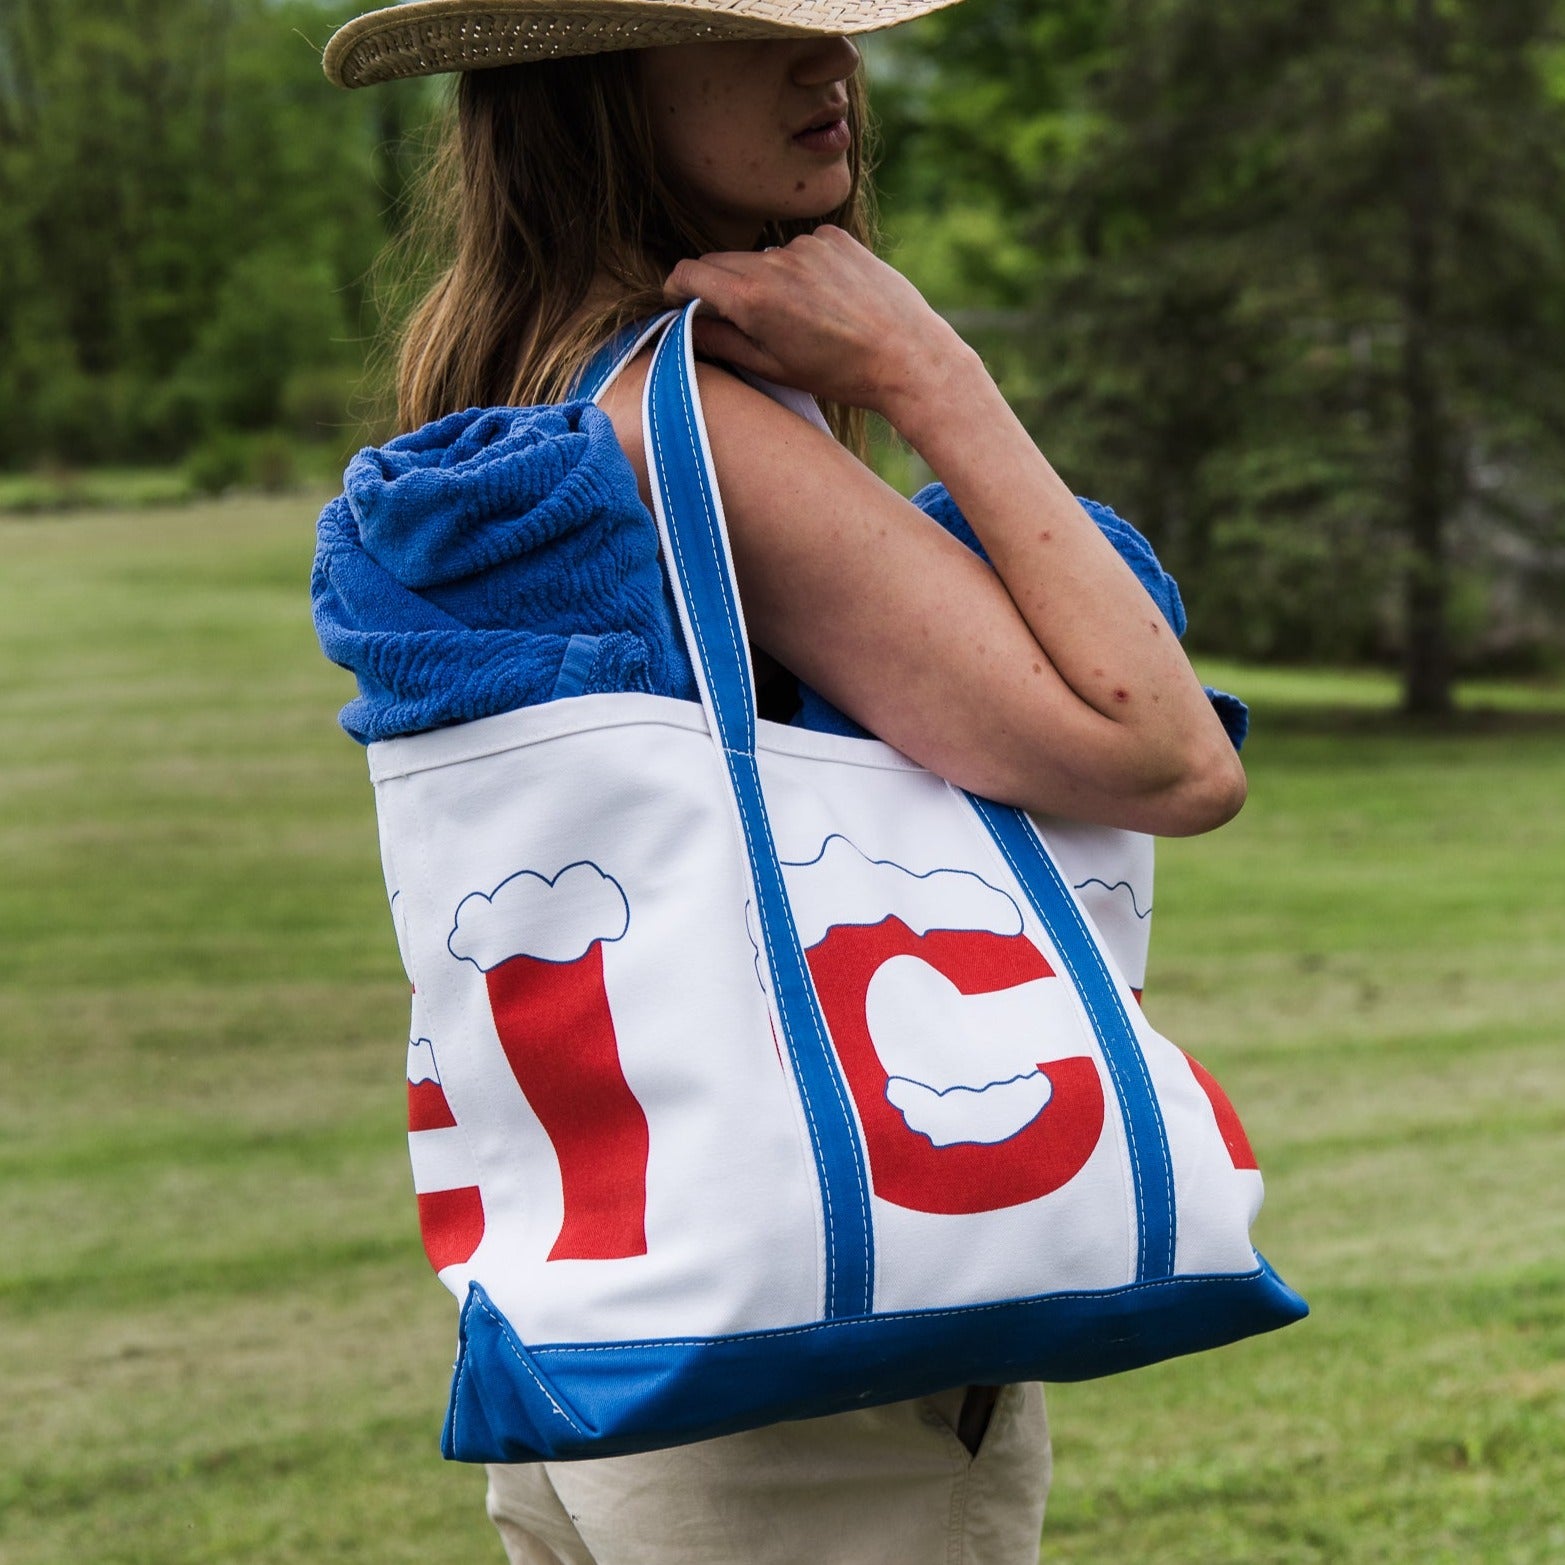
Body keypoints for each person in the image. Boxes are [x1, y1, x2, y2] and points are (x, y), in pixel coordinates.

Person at [322, 3, 1248, 1561]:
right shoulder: (697, 427)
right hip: (810, 1358)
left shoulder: (516, 373)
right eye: (752, 32)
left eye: (832, 29)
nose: (828, 69)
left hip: (608, 1319)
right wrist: (929, 365)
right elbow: (1163, 751)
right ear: (601, 76)